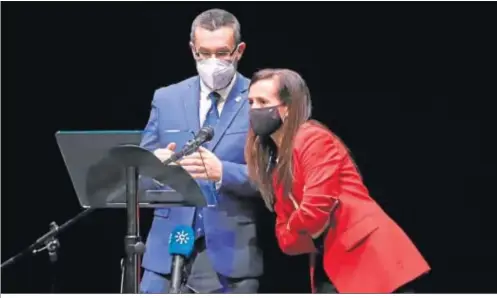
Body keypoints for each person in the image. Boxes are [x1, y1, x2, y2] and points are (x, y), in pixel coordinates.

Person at [244, 68, 431, 293]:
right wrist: (305, 229)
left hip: (369, 257)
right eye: (251, 102)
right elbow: (285, 240)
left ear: (288, 108)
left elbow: (314, 211)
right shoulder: (274, 163)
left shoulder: (313, 139)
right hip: (333, 264)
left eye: (263, 101)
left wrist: (300, 226)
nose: (254, 109)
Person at [139, 9, 262, 293]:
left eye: (222, 53)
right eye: (204, 53)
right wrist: (156, 169)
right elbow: (140, 176)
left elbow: (273, 179)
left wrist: (224, 172)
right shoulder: (166, 98)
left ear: (239, 51)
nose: (212, 62)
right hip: (164, 256)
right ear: (192, 50)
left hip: (232, 257)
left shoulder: (258, 99)